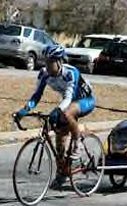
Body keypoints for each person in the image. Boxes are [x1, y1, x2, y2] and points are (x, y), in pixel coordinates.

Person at [16, 44, 96, 189]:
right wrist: (25, 109)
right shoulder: (44, 74)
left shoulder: (71, 73)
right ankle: (62, 171)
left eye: (50, 62)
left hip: (85, 101)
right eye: (45, 62)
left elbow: (69, 97)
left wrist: (57, 110)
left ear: (59, 62)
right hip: (69, 102)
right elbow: (37, 95)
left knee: (66, 112)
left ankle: (78, 145)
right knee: (60, 136)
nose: (47, 66)